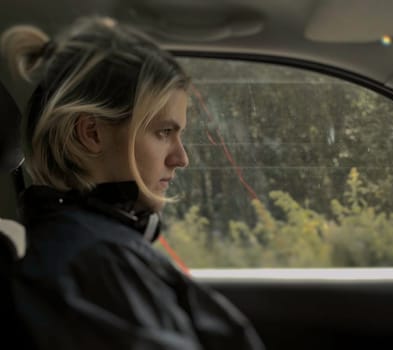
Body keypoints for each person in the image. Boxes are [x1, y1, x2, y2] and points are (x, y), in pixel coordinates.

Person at [1, 17, 264, 349]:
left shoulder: (98, 245)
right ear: (91, 133)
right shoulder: (96, 264)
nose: (182, 158)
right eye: (164, 132)